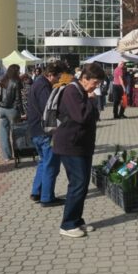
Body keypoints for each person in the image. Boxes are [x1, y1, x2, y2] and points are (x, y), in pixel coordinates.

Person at [54, 63, 106, 238]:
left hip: (82, 145)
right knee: (77, 183)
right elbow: (82, 116)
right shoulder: (71, 91)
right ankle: (67, 224)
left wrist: (91, 102)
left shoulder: (82, 91)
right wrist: (91, 101)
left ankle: (76, 220)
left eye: (98, 84)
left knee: (82, 185)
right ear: (84, 78)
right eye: (95, 82)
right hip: (70, 145)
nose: (96, 86)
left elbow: (94, 115)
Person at [28, 61, 65, 206]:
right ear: (50, 75)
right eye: (57, 77)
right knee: (51, 164)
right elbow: (48, 108)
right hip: (45, 131)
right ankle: (47, 197)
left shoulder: (37, 83)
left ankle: (36, 192)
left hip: (35, 129)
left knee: (43, 162)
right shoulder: (43, 85)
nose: (58, 80)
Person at [0, 64, 25, 162]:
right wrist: (22, 112)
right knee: (16, 133)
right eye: (18, 70)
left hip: (1, 109)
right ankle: (18, 153)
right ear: (16, 71)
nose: (19, 72)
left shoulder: (2, 80)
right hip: (12, 110)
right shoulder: (16, 82)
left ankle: (7, 156)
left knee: (3, 134)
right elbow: (18, 99)